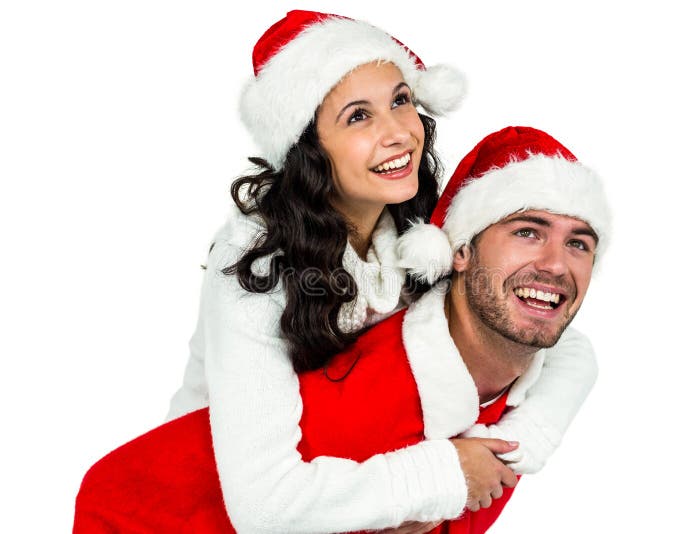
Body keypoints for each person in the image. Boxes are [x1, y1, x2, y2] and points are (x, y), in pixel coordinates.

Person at [160, 9, 599, 533]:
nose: (398, 134)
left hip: (344, 482)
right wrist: (445, 476)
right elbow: (263, 504)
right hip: (200, 500)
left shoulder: (417, 228)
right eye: (358, 117)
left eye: (400, 100)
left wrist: (526, 437)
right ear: (309, 149)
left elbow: (562, 343)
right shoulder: (257, 265)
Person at [73, 126, 611, 534]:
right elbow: (145, 492)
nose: (556, 264)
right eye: (527, 231)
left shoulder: (517, 381)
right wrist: (438, 479)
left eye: (579, 243)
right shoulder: (361, 398)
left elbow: (575, 352)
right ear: (461, 252)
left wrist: (535, 431)